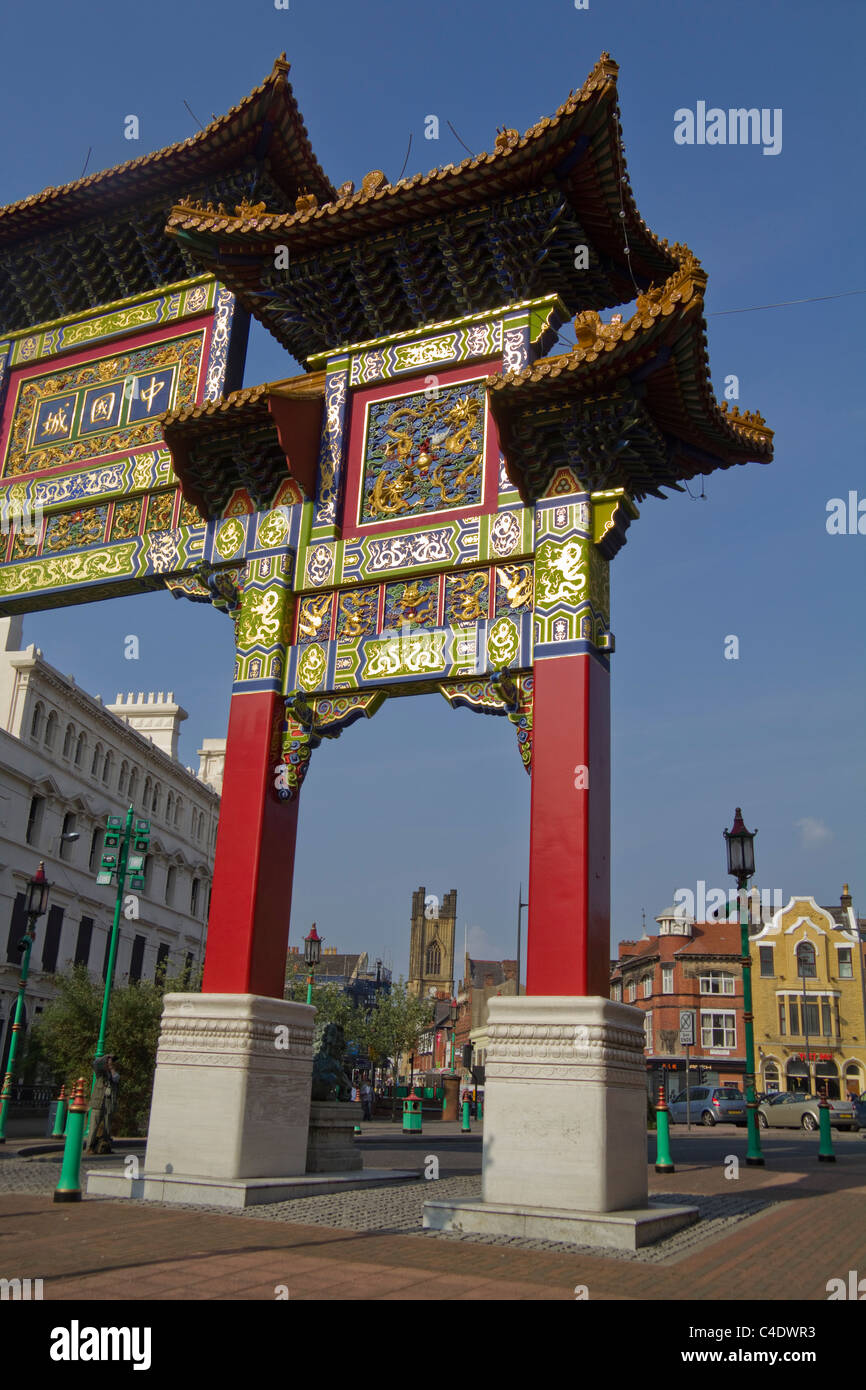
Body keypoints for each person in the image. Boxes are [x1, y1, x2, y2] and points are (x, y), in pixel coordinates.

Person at [88, 1054, 119, 1154]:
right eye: (109, 1061)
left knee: (107, 1127)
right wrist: (106, 1057)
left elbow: (116, 1078)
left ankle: (105, 1148)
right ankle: (89, 1147)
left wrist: (111, 1067)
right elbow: (95, 1063)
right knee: (94, 1126)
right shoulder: (100, 1073)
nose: (111, 1063)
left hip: (109, 1102)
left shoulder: (114, 1074)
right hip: (98, 1101)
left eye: (112, 1061)